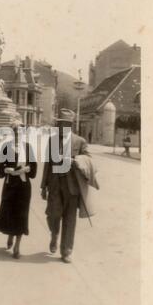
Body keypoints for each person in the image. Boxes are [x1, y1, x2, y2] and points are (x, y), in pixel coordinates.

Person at [41, 109, 91, 263]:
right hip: (55, 185)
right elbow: (48, 164)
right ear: (58, 124)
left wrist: (75, 160)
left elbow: (88, 159)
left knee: (70, 220)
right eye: (61, 123)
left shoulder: (80, 141)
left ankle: (66, 251)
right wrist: (44, 186)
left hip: (72, 186)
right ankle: (54, 234)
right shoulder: (52, 140)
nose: (64, 126)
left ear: (71, 125)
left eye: (67, 124)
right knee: (52, 215)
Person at [0, 119, 37, 259]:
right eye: (16, 132)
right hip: (10, 186)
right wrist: (7, 169)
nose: (18, 134)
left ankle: (17, 246)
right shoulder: (6, 148)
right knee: (9, 213)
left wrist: (28, 168)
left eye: (21, 132)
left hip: (23, 187)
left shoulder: (28, 148)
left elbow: (34, 172)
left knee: (22, 215)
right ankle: (10, 235)